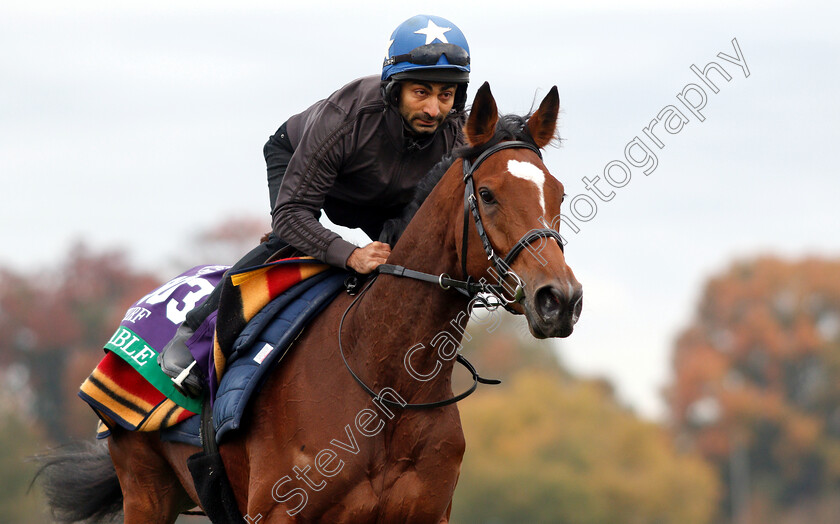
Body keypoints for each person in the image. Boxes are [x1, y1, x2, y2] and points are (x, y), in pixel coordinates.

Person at [157, 14, 471, 396]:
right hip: (299, 161)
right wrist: (350, 254)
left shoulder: (456, 134)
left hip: (375, 192)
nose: (434, 110)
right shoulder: (347, 117)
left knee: (405, 259)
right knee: (288, 243)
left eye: (445, 95)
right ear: (394, 89)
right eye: (421, 92)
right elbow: (291, 216)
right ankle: (192, 337)